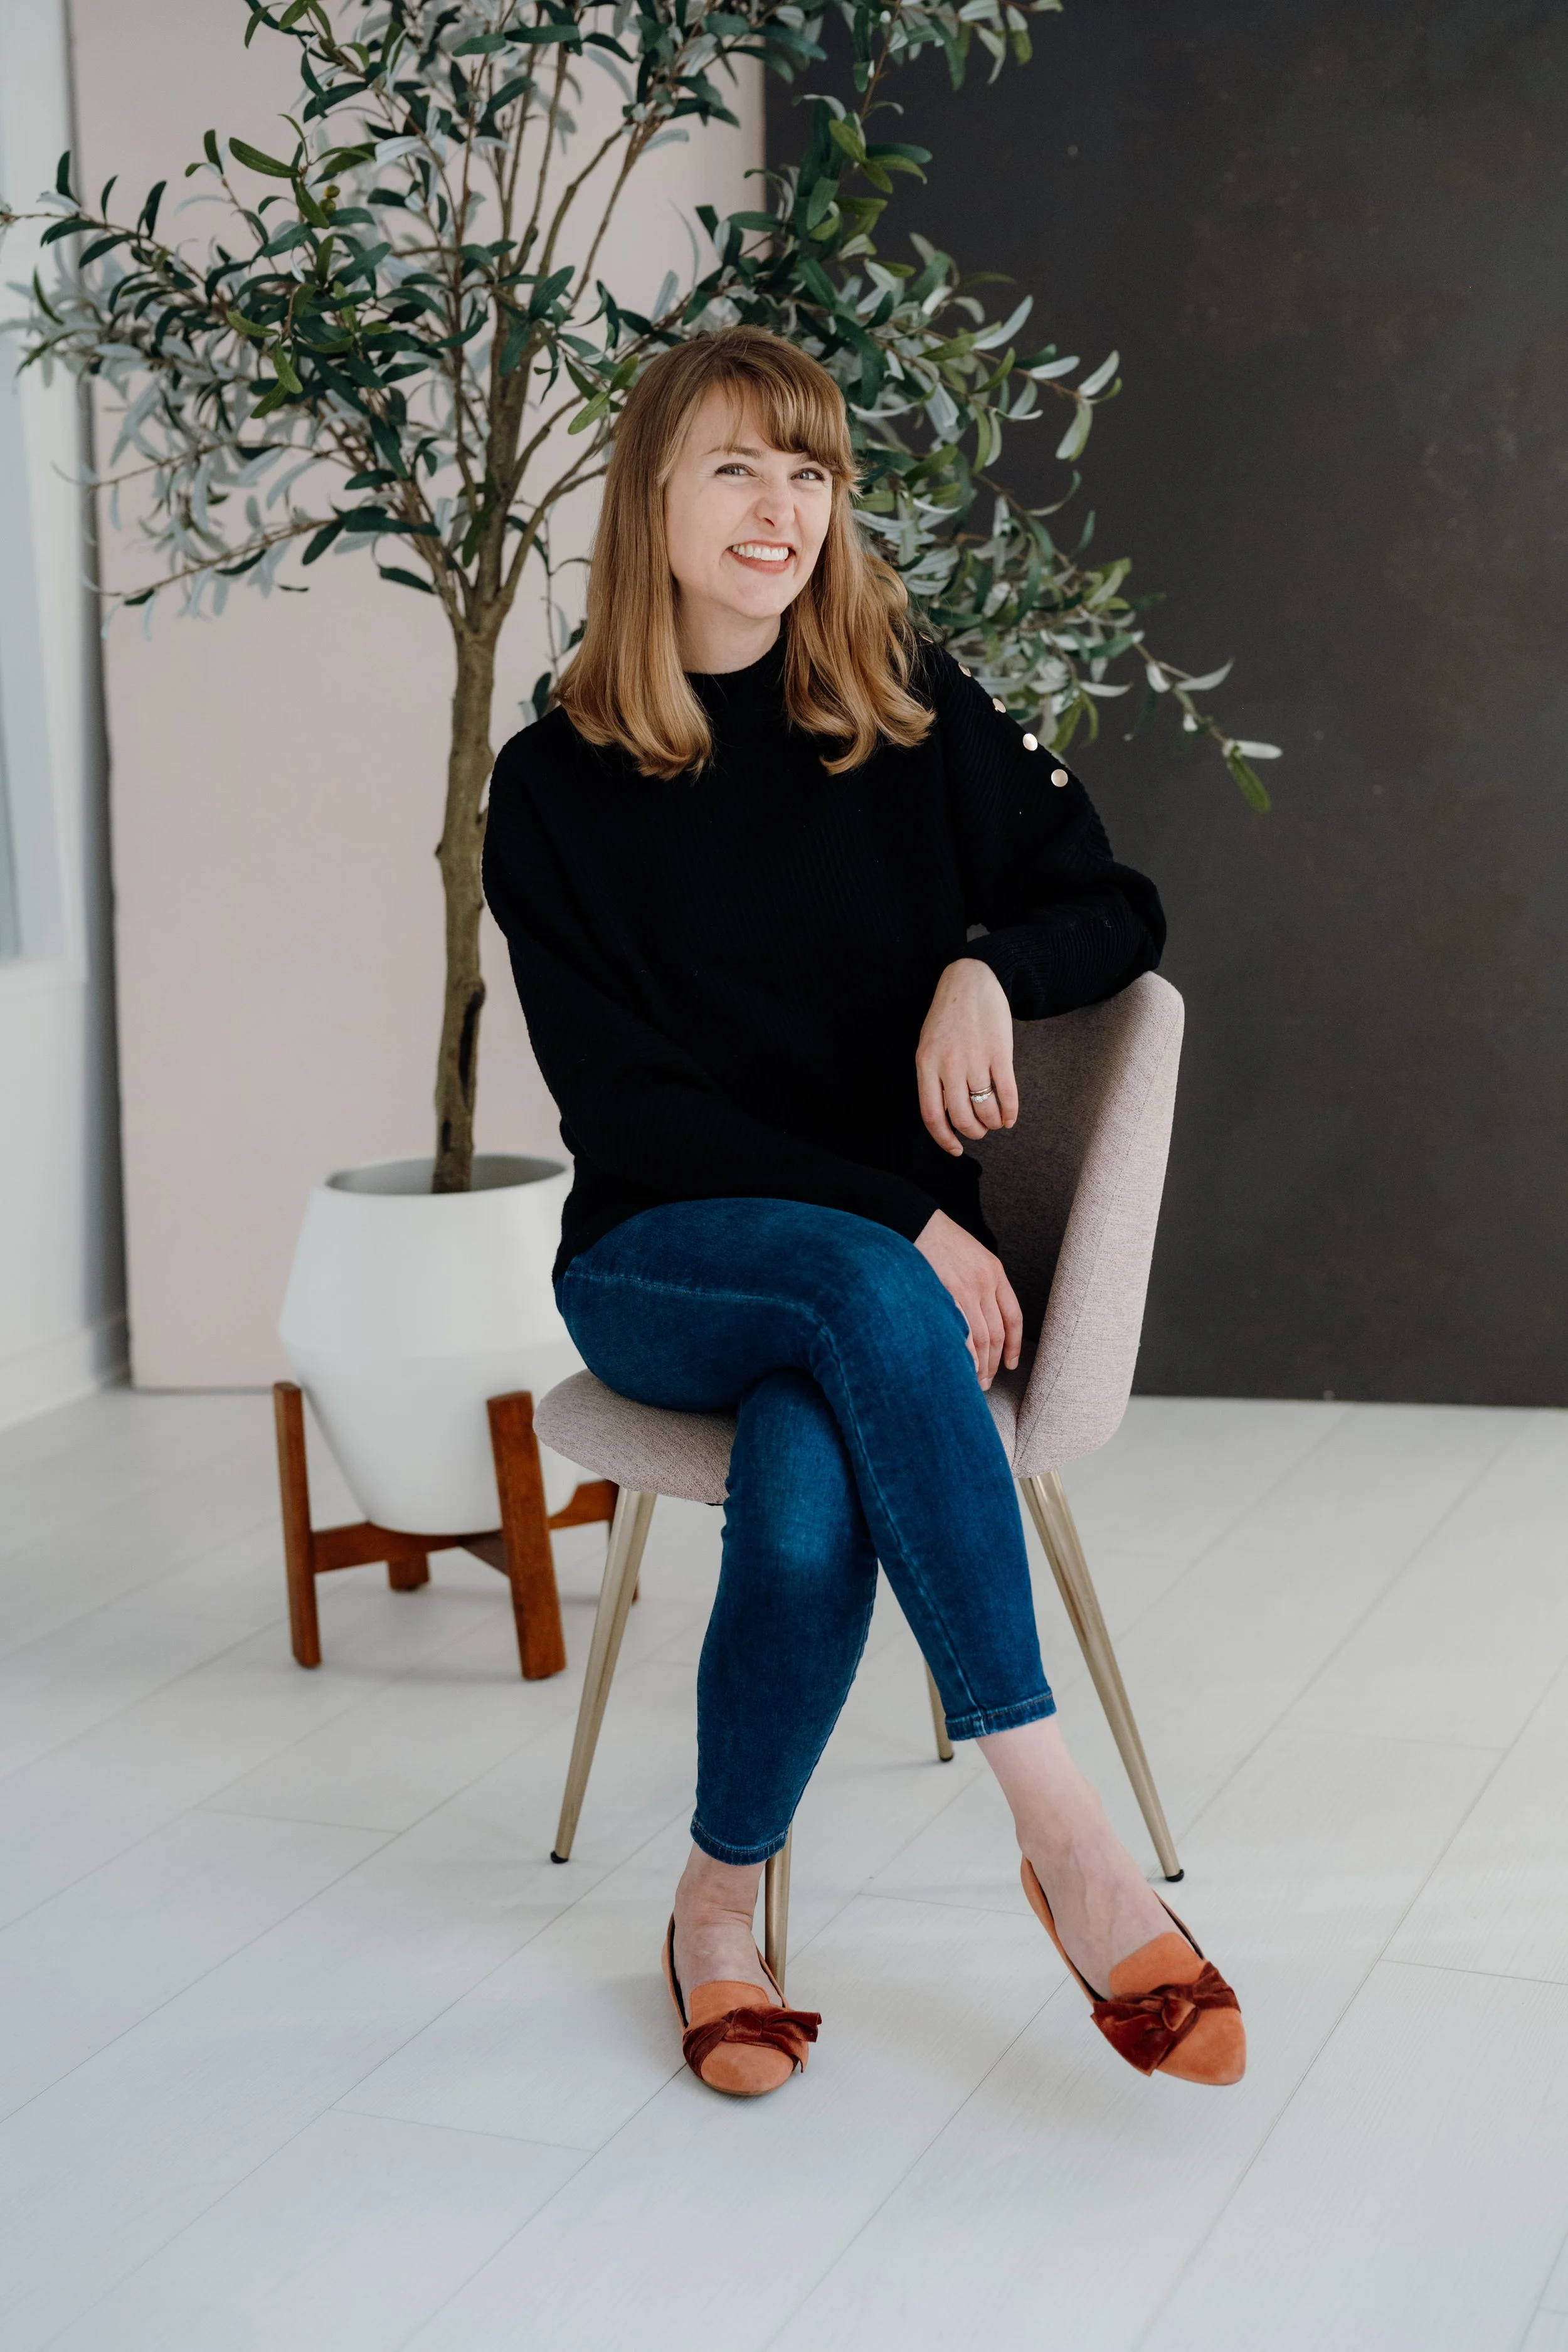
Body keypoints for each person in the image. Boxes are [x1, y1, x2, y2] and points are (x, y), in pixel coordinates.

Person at [483, 325, 1244, 2099]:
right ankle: (1069, 1840)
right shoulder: (554, 784)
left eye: (810, 471)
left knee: (811, 1471)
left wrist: (987, 968)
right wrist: (897, 1217)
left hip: (876, 1289)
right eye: (737, 468)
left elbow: (1116, 908)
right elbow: (633, 1109)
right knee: (851, 1288)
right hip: (664, 1257)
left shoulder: (899, 705)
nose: (782, 508)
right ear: (650, 497)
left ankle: (714, 1909)